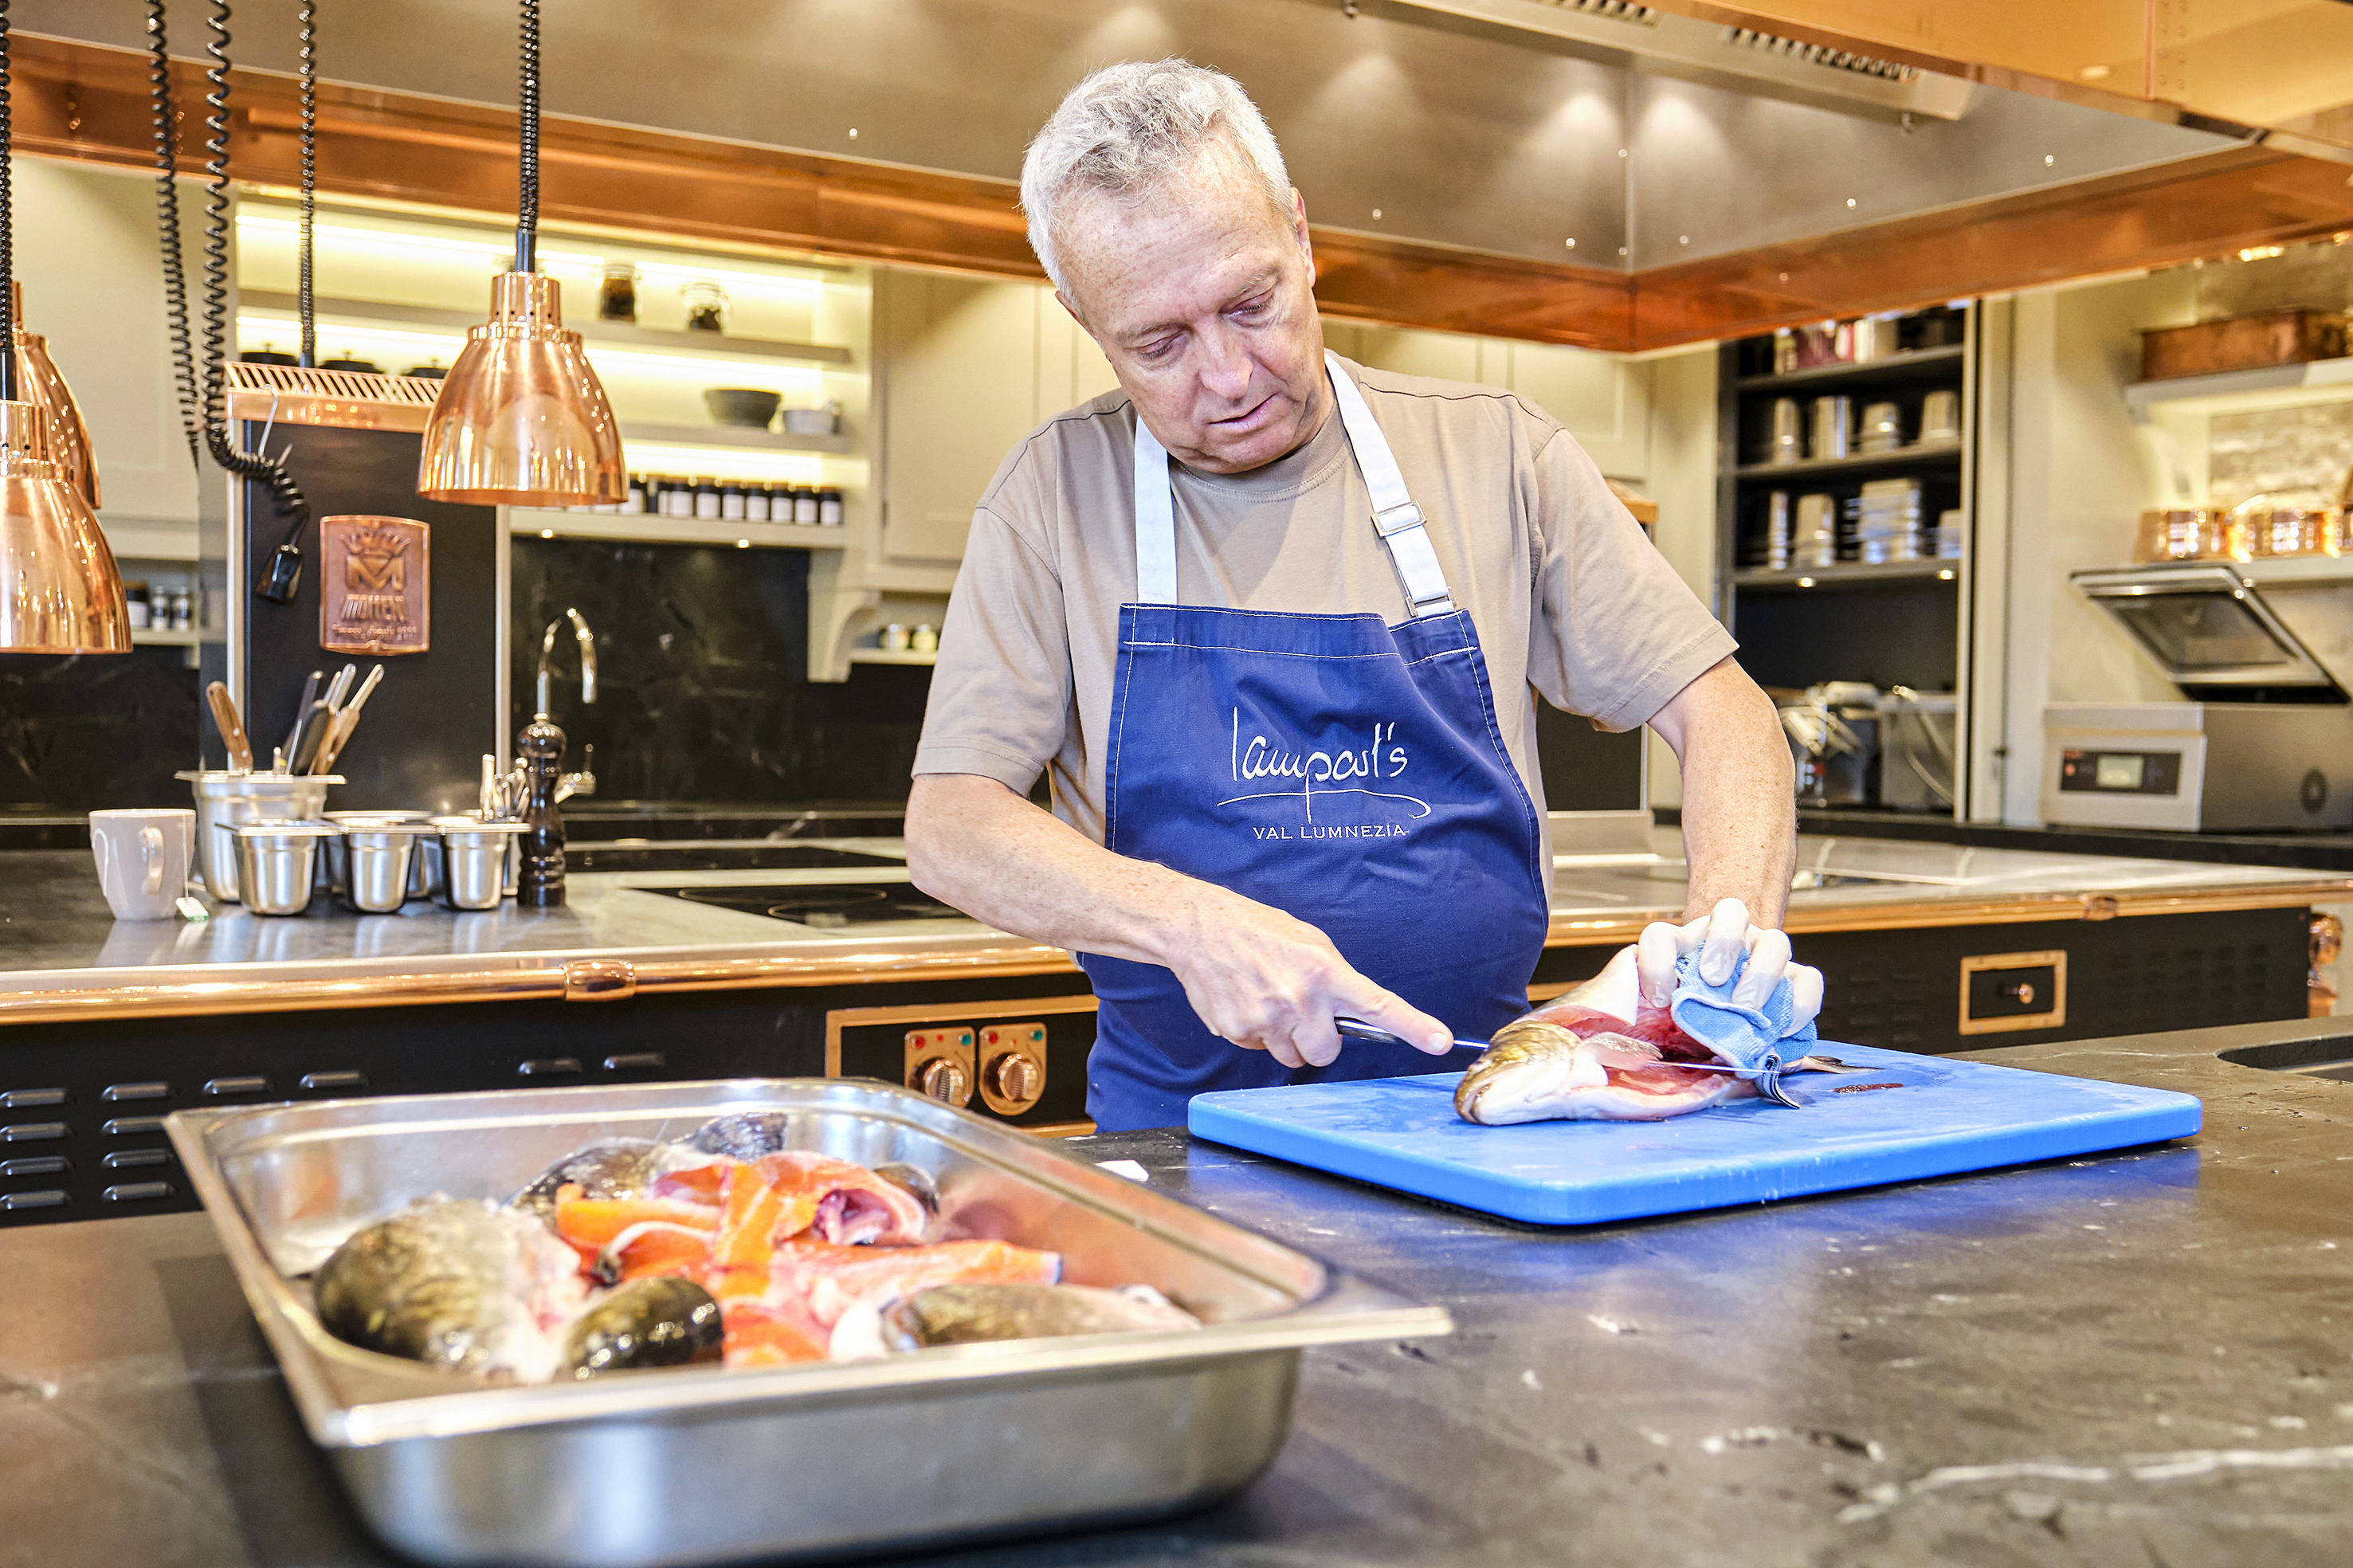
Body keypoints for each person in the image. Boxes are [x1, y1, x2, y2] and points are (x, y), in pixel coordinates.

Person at [904, 59, 1818, 1131]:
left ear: (1300, 236)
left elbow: (1722, 711)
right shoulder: (1055, 494)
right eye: (1159, 343)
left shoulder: (1496, 455)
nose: (1231, 375)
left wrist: (1716, 956)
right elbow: (950, 825)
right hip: (1182, 1141)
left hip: (1482, 1118)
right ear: (1080, 316)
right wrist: (1188, 923)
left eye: (1252, 304)